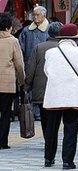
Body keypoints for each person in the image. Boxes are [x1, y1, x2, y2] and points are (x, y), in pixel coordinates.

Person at [43, 23, 78, 169]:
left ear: (60, 38)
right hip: (73, 96)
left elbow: (47, 71)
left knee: (51, 128)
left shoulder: (50, 53)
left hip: (54, 95)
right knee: (70, 129)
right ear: (75, 38)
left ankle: (48, 159)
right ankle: (67, 162)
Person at [25, 22, 62, 141]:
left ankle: (48, 139)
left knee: (44, 117)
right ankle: (52, 139)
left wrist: (27, 84)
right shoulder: (64, 48)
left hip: (41, 89)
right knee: (56, 117)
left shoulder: (38, 47)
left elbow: (31, 69)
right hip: (58, 90)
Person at [19, 5, 49, 121]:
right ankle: (31, 112)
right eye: (34, 15)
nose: (35, 17)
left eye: (38, 15)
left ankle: (41, 112)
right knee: (30, 87)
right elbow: (21, 48)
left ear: (44, 15)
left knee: (42, 88)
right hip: (29, 64)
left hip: (45, 65)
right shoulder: (26, 30)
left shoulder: (48, 29)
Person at [0, 13, 25, 150]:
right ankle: (2, 142)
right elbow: (19, 64)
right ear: (9, 27)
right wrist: (22, 80)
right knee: (5, 113)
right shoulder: (13, 41)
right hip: (7, 84)